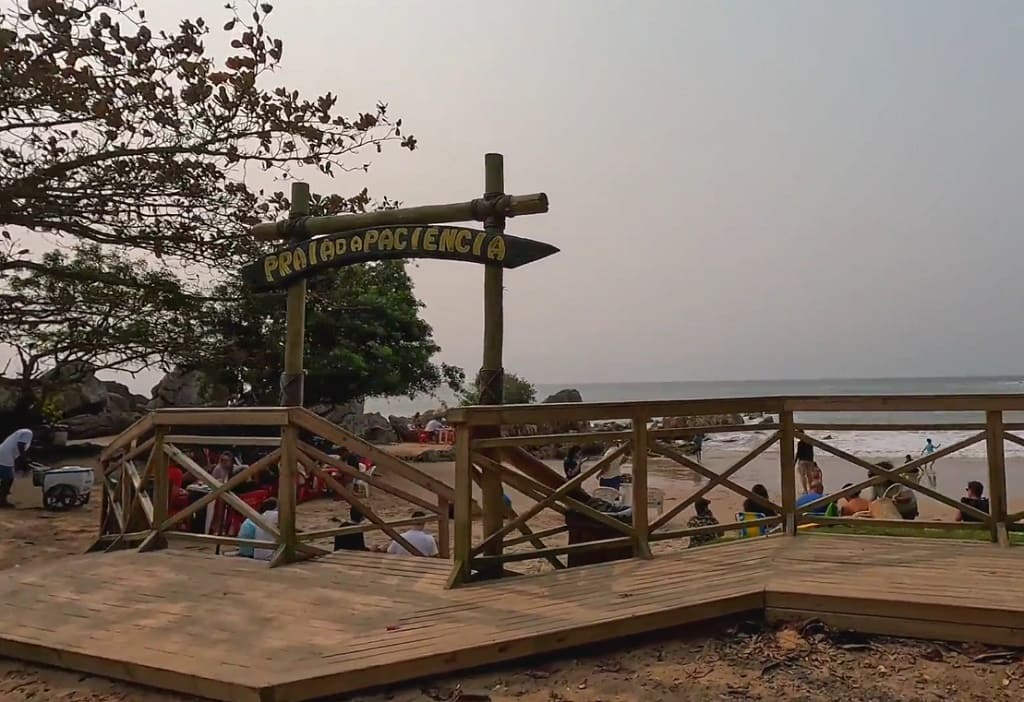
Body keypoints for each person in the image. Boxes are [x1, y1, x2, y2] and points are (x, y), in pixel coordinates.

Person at [0, 428, 32, 508]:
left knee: (7, 478)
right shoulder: (28, 433)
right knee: (8, 478)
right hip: (5, 455)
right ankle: (1, 500)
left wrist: (23, 462)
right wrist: (24, 460)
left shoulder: (23, 433)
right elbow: (20, 446)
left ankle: (2, 498)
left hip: (4, 453)